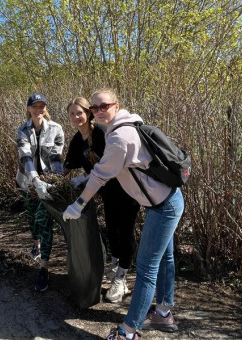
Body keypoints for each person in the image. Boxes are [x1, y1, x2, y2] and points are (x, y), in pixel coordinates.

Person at [63, 88, 184, 339]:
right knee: (164, 259)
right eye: (95, 108)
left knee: (146, 267)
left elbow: (99, 175)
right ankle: (163, 313)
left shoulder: (119, 137)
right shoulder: (127, 125)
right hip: (166, 200)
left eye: (103, 106)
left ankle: (128, 331)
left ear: (116, 105)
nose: (98, 111)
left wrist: (78, 205)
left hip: (164, 206)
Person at [63, 97, 140, 303]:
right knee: (112, 229)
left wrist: (87, 177)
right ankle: (115, 265)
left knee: (125, 231)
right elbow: (67, 166)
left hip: (126, 191)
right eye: (71, 114)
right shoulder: (77, 140)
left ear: (88, 113)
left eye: (79, 112)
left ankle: (122, 278)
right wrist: (49, 181)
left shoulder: (103, 134)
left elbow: (111, 166)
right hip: (106, 193)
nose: (75, 117)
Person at [16, 93, 64, 292]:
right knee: (32, 220)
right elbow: (25, 156)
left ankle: (43, 266)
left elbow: (56, 158)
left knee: (43, 220)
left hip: (47, 183)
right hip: (28, 181)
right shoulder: (22, 130)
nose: (39, 110)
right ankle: (36, 242)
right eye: (35, 106)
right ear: (29, 109)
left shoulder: (56, 129)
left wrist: (54, 182)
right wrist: (35, 180)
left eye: (42, 106)